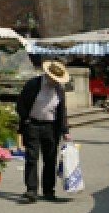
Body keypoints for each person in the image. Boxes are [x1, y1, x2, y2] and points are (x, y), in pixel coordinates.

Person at [15, 59, 72, 203]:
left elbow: (62, 110)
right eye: (54, 79)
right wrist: (26, 120)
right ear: (48, 75)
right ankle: (31, 190)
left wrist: (65, 130)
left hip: (51, 127)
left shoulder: (59, 89)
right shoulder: (33, 84)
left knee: (50, 159)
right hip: (32, 124)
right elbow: (20, 103)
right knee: (32, 158)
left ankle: (48, 191)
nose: (55, 81)